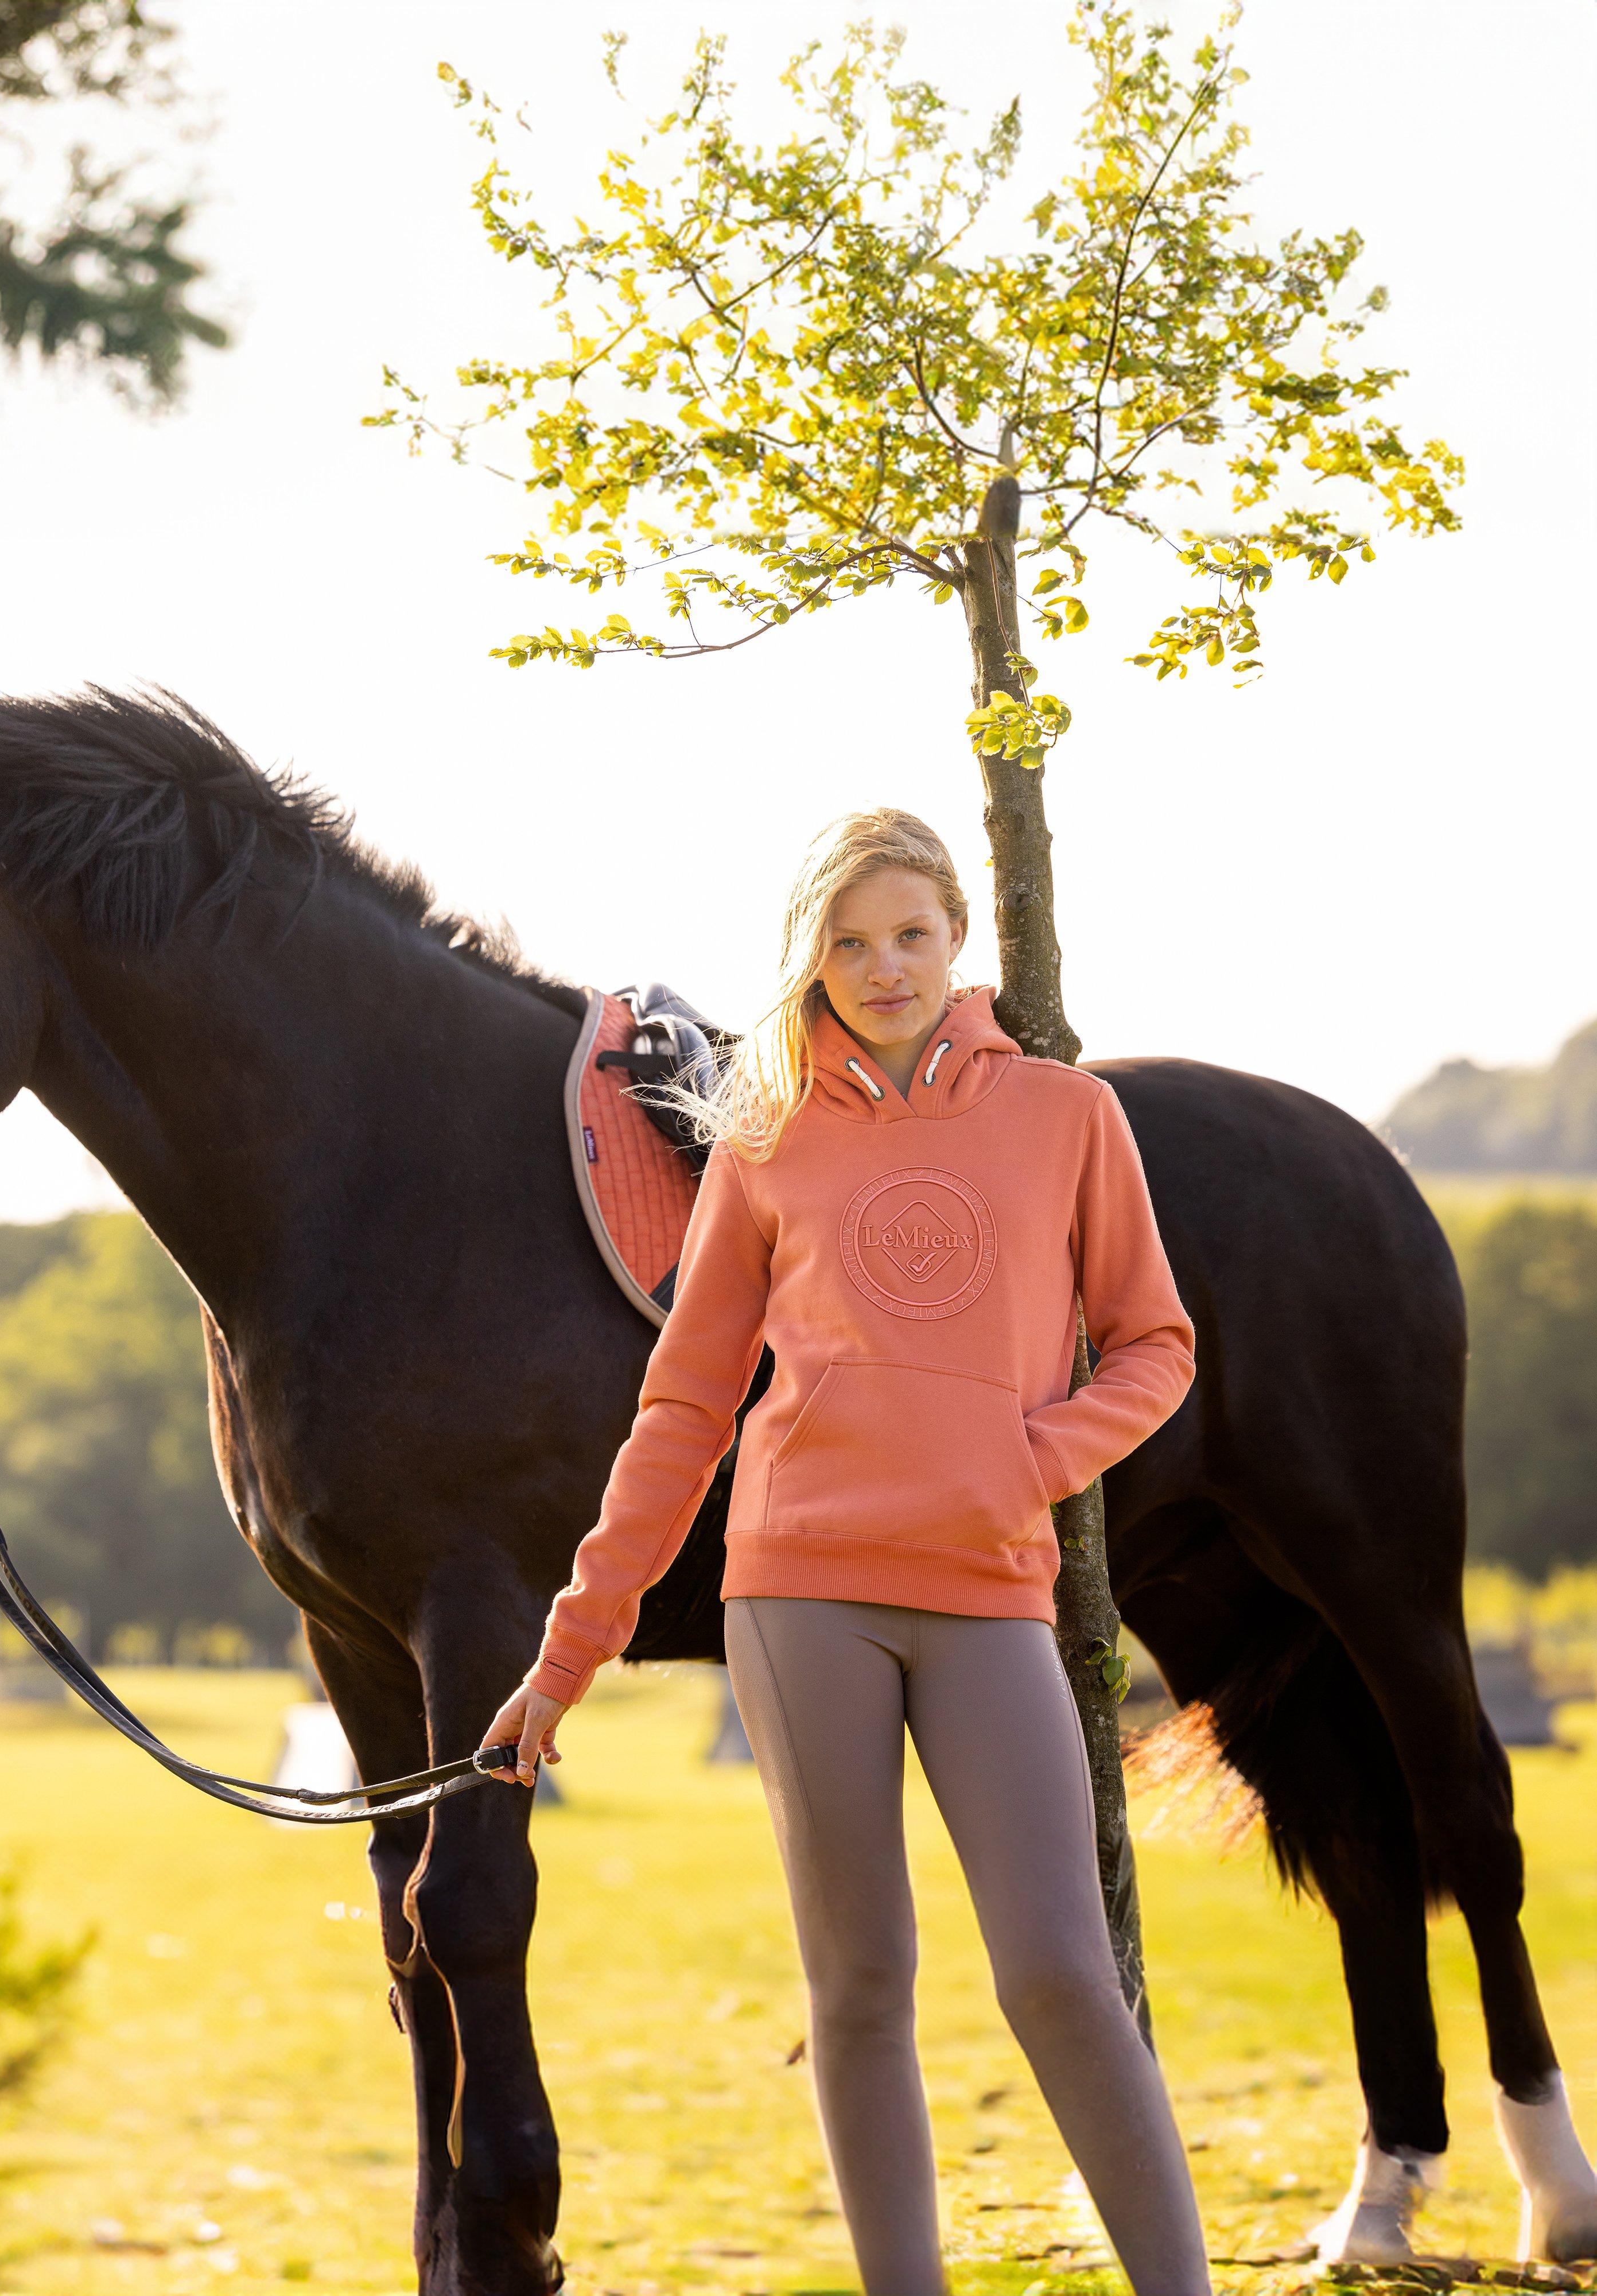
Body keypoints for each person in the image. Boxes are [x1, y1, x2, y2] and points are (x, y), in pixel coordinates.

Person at [482, 809, 1211, 2296]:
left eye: (912, 936)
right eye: (852, 941)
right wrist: (570, 1654)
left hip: (990, 1592)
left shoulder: (1069, 1116)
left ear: (958, 944)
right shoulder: (764, 1140)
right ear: (812, 958)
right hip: (799, 1593)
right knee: (861, 1985)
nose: (884, 966)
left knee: (1062, 1977)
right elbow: (685, 1408)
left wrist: (1031, 1460)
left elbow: (1157, 1345)